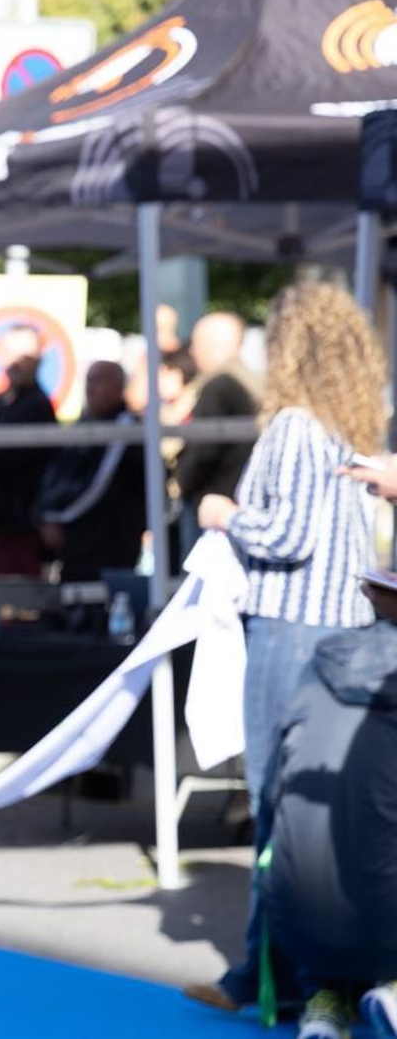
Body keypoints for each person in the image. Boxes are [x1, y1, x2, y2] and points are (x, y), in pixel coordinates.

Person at [185, 282, 385, 1017]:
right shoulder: (346, 428)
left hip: (290, 633)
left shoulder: (296, 427)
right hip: (342, 633)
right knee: (322, 813)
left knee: (278, 806)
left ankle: (270, 975)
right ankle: (312, 971)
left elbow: (286, 536)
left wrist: (225, 514)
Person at [257, 576, 397, 1039]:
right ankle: (391, 988)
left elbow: (275, 789)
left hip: (296, 915)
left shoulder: (321, 660)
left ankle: (325, 1003)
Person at [36, 361, 146, 583]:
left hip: (110, 544)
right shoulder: (81, 425)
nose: (91, 388)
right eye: (89, 380)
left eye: (100, 381)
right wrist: (45, 515)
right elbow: (56, 473)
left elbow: (98, 483)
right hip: (74, 546)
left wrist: (58, 516)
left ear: (118, 387)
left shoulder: (127, 429)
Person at [175, 312, 260, 558]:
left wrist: (183, 483)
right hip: (239, 503)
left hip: (217, 506)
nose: (192, 352)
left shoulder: (219, 386)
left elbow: (204, 449)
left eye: (197, 344)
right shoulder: (250, 382)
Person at [0, 325, 56, 577]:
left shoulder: (37, 407)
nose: (17, 364)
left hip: (21, 524)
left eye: (26, 357)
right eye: (12, 354)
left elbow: (1, 459)